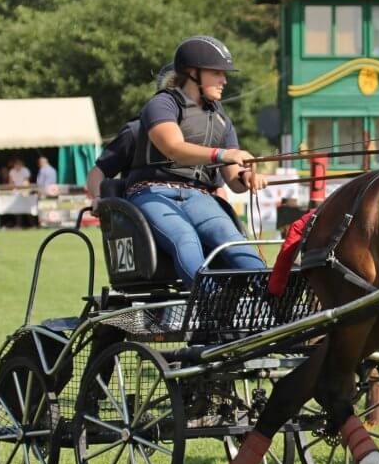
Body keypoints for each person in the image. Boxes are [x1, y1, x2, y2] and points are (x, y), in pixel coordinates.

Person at [122, 36, 266, 283]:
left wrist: (247, 177)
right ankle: (210, 302)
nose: (225, 80)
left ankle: (272, 298)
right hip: (152, 192)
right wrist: (223, 154)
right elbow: (173, 148)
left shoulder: (221, 120)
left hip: (200, 196)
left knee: (232, 239)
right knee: (184, 237)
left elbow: (232, 179)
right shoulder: (162, 104)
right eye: (217, 73)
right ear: (193, 72)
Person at [86, 63, 175, 201]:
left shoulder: (205, 133)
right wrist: (98, 198)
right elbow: (98, 171)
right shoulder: (136, 131)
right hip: (144, 207)